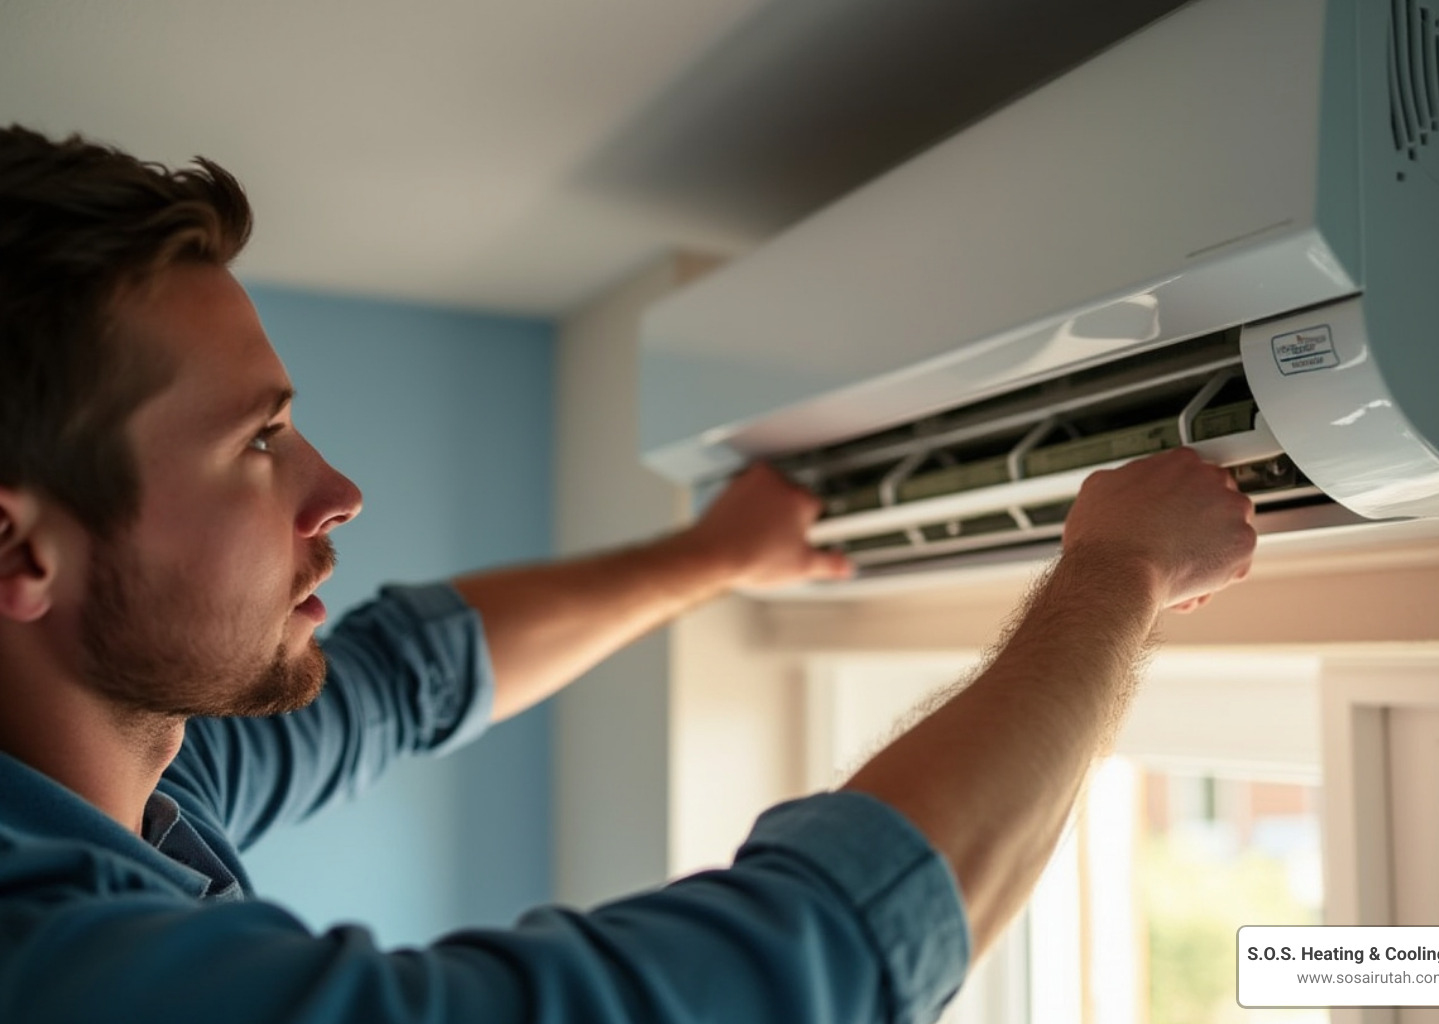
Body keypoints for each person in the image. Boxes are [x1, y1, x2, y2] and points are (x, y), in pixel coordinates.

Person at [0, 125, 1256, 1023]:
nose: (338, 490)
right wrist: (1116, 579)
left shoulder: (138, 777)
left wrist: (716, 553)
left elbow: (406, 676)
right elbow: (792, 965)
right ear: (22, 551)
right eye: (257, 441)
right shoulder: (59, 968)